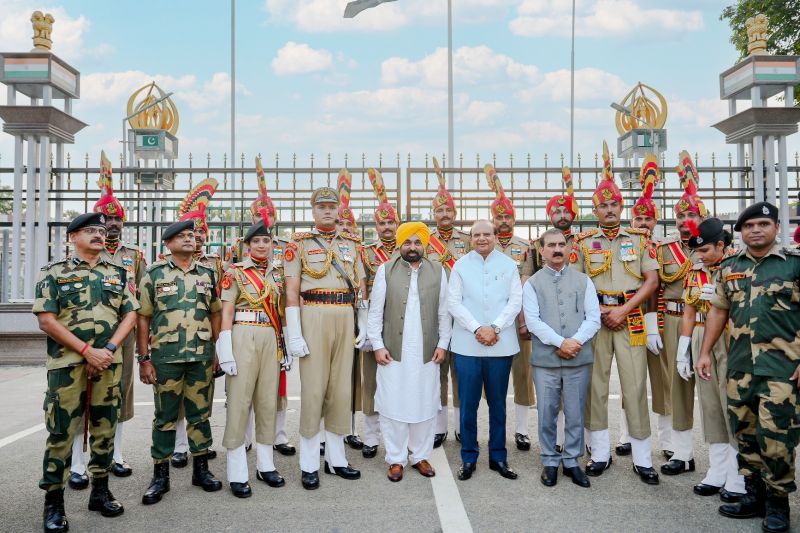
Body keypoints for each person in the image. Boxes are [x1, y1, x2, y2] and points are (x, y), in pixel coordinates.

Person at [34, 212, 138, 532]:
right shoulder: (53, 273)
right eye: (89, 230)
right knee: (62, 433)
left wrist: (107, 350)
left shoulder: (118, 273)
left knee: (105, 428)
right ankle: (54, 503)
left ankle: (101, 492)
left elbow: (130, 313)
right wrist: (86, 350)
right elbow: (46, 320)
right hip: (68, 365)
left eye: (100, 230)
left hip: (108, 363)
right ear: (72, 237)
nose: (98, 234)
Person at [700, 202, 800, 533]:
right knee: (745, 432)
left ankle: (778, 504)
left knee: (776, 437)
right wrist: (704, 352)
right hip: (741, 367)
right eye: (749, 225)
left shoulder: (793, 265)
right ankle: (754, 495)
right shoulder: (729, 268)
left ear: (775, 228)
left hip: (781, 368)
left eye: (762, 224)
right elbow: (718, 311)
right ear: (740, 232)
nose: (755, 230)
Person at [572, 141, 660, 484]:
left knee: (635, 386)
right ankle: (600, 454)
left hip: (631, 319)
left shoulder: (640, 240)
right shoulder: (582, 242)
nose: (609, 209)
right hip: (596, 322)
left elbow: (651, 281)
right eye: (603, 205)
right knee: (595, 386)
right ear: (595, 210)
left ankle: (642, 459)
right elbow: (578, 286)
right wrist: (603, 313)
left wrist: (623, 310)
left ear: (621, 207)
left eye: (614, 204)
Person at [69, 152, 146, 489]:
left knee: (120, 392)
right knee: (80, 397)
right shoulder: (84, 254)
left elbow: (141, 300)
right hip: (85, 333)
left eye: (116, 221)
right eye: (105, 222)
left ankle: (114, 453)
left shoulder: (135, 257)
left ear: (123, 223)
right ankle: (77, 461)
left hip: (123, 336)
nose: (111, 226)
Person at [283, 186, 368, 490]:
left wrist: (363, 323)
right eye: (322, 207)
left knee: (341, 391)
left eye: (333, 206)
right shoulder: (299, 244)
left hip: (344, 314)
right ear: (313, 211)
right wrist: (294, 333)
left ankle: (336, 460)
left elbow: (359, 289)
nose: (328, 211)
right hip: (314, 315)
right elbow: (291, 291)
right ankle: (308, 464)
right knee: (314, 391)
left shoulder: (352, 244)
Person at [137, 220, 224, 504]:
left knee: (200, 415)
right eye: (182, 236)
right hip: (166, 357)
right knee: (164, 417)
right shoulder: (153, 274)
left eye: (191, 235)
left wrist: (217, 350)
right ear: (168, 243)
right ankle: (160, 476)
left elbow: (215, 313)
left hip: (200, 356)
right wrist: (144, 358)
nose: (189, 239)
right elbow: (143, 317)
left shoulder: (207, 274)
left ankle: (201, 470)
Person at [367, 222, 451, 481]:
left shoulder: (439, 271)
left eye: (417, 242)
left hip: (427, 351)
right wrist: (378, 345)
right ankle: (395, 458)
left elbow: (444, 312)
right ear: (400, 245)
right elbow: (375, 313)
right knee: (393, 404)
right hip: (393, 351)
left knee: (425, 402)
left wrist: (443, 344)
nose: (412, 247)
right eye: (407, 242)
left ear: (424, 244)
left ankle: (420, 456)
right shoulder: (384, 270)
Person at [225, 158, 295, 458]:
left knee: (274, 389)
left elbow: (289, 295)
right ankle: (245, 438)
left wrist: (290, 336)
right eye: (259, 214)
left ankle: (277, 436)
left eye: (268, 214)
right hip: (246, 326)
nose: (264, 217)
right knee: (243, 388)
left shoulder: (286, 247)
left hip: (274, 328)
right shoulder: (236, 252)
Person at [217, 212, 289, 497]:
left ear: (272, 244)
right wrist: (225, 349)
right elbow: (227, 311)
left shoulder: (278, 272)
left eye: (266, 240)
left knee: (267, 402)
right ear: (247, 246)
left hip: (270, 336)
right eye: (256, 241)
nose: (262, 245)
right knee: (239, 402)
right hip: (242, 334)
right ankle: (236, 471)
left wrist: (284, 345)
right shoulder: (234, 272)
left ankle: (266, 464)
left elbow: (281, 312)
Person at [525, 229, 600, 488]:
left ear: (568, 249)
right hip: (546, 360)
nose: (557, 249)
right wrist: (560, 342)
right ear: (542, 250)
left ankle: (571, 461)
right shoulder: (532, 283)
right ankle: (549, 460)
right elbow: (532, 321)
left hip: (578, 358)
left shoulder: (583, 280)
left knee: (575, 412)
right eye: (551, 245)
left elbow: (594, 318)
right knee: (546, 412)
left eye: (561, 245)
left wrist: (574, 343)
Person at [448, 219, 522, 481]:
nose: (482, 238)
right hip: (468, 345)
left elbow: (515, 301)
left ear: (495, 236)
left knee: (498, 405)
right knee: (468, 405)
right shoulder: (460, 265)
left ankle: (498, 457)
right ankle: (469, 457)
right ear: (470, 239)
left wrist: (496, 328)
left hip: (500, 345)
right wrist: (478, 328)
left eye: (486, 234)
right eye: (476, 234)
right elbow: (453, 302)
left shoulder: (509, 265)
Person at [678, 218, 745, 501]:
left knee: (733, 404)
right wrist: (684, 347)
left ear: (721, 245)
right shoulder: (696, 270)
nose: (699, 256)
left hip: (730, 338)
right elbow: (690, 309)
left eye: (704, 250)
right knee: (710, 405)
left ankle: (738, 474)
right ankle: (718, 470)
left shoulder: (739, 267)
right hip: (701, 336)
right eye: (696, 251)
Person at [654, 150, 708, 476]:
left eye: (692, 218)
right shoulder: (663, 249)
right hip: (675, 321)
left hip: (711, 324)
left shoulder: (718, 249)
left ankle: (726, 462)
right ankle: (683, 452)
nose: (685, 224)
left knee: (714, 389)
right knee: (679, 385)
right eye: (679, 218)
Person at [617, 155, 672, 458]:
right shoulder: (628, 246)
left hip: (663, 323)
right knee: (631, 381)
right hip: (631, 321)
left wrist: (655, 325)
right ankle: (627, 435)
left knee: (663, 384)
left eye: (648, 218)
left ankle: (667, 441)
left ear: (656, 220)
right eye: (638, 219)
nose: (643, 223)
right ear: (631, 220)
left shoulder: (664, 248)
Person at [169, 178, 224, 468]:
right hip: (174, 339)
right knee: (176, 400)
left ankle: (199, 445)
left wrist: (219, 345)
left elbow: (219, 306)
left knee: (202, 396)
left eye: (201, 232)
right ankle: (179, 446)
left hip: (204, 339)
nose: (197, 237)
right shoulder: (165, 265)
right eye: (192, 232)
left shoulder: (215, 264)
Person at [485, 164, 535, 452]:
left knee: (522, 373)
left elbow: (525, 284)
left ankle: (521, 429)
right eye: (498, 216)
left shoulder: (524, 247)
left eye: (507, 216)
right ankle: (493, 430)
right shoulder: (480, 245)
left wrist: (523, 321)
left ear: (514, 218)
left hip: (516, 319)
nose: (503, 220)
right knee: (488, 377)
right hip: (486, 317)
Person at [425, 157, 470, 447]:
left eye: (448, 209)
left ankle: (462, 425)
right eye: (439, 209)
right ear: (434, 213)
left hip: (464, 312)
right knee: (438, 369)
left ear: (454, 212)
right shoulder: (425, 241)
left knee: (462, 373)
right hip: (435, 311)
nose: (444, 213)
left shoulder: (466, 241)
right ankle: (439, 426)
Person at [355, 168, 399, 458]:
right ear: (375, 225)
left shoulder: (410, 250)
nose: (386, 227)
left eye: (390, 222)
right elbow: (361, 292)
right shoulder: (365, 253)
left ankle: (400, 437)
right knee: (371, 382)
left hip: (402, 324)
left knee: (400, 380)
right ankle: (371, 438)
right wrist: (366, 330)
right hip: (373, 324)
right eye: (381, 223)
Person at [539, 166, 579, 454]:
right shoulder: (535, 246)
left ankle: (575, 443)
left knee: (576, 393)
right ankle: (551, 444)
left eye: (566, 211)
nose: (562, 215)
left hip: (579, 324)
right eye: (557, 212)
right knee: (549, 392)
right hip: (547, 324)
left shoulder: (587, 243)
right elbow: (527, 282)